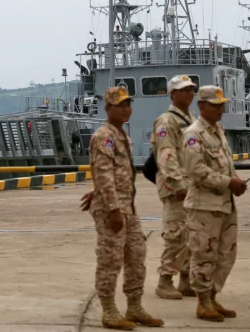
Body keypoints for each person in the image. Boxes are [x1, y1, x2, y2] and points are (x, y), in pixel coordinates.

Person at [86, 85, 164, 330]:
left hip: (126, 206)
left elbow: (111, 174)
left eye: (128, 104)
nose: (126, 109)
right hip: (114, 209)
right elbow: (103, 172)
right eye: (119, 105)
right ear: (108, 108)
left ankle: (135, 306)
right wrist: (112, 208)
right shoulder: (104, 136)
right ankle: (109, 311)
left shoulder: (121, 136)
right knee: (110, 259)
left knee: (136, 255)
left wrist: (102, 193)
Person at [180, 85, 249, 322]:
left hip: (224, 204)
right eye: (215, 105)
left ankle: (212, 295)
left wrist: (234, 183)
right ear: (201, 106)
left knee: (226, 254)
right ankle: (202, 302)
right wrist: (228, 182)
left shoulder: (217, 131)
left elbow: (224, 165)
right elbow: (196, 170)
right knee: (204, 254)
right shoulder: (193, 134)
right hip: (204, 207)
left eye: (222, 105)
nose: (221, 109)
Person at [150, 75, 198, 299]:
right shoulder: (167, 121)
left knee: (190, 236)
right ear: (172, 94)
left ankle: (185, 280)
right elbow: (166, 155)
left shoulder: (189, 118)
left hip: (191, 186)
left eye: (191, 89)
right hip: (176, 188)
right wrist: (178, 185)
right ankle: (165, 281)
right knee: (176, 235)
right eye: (184, 90)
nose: (189, 93)